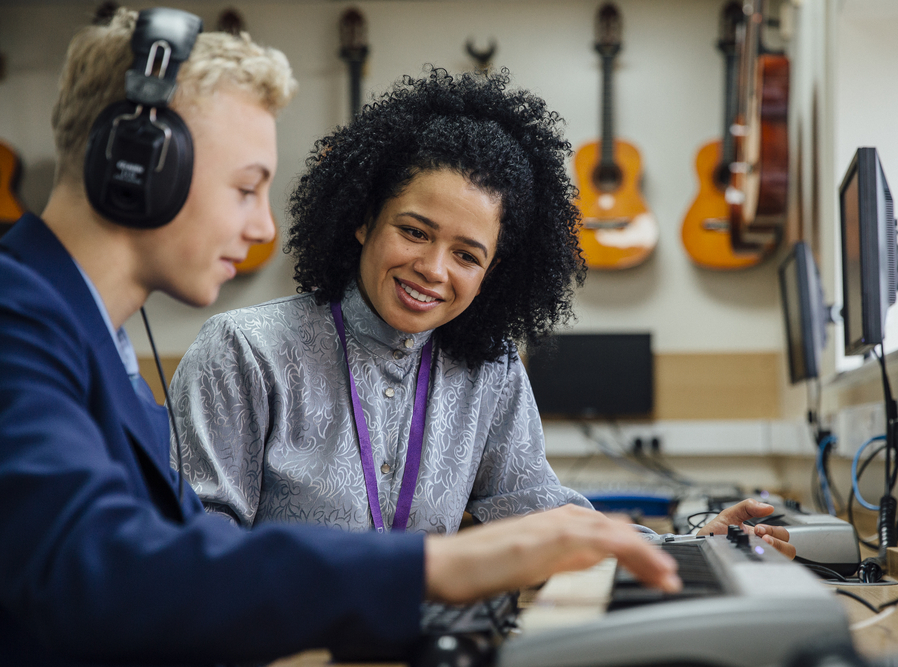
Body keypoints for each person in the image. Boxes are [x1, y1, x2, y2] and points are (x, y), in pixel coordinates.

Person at [0, 7, 797, 666]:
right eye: (246, 186)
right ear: (141, 168)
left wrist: (679, 544)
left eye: (468, 254)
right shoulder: (22, 321)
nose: (262, 224)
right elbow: (110, 569)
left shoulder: (90, 342)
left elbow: (154, 560)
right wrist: (438, 562)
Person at [170, 67, 594, 533]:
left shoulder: (492, 368)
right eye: (414, 232)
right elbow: (199, 538)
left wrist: (670, 546)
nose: (433, 269)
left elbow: (536, 507)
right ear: (364, 220)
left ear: (490, 272)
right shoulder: (244, 350)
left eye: (466, 256)